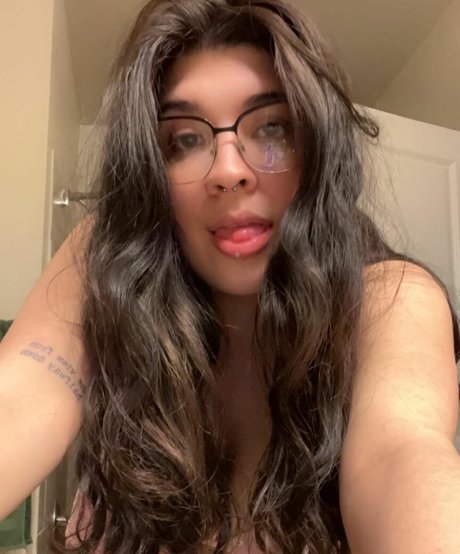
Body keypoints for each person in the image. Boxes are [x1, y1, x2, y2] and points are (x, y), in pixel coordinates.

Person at [1, 0, 459, 552]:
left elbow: (399, 453)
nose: (228, 170)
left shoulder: (391, 297)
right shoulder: (107, 260)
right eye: (184, 140)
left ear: (318, 151)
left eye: (274, 128)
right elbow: (21, 394)